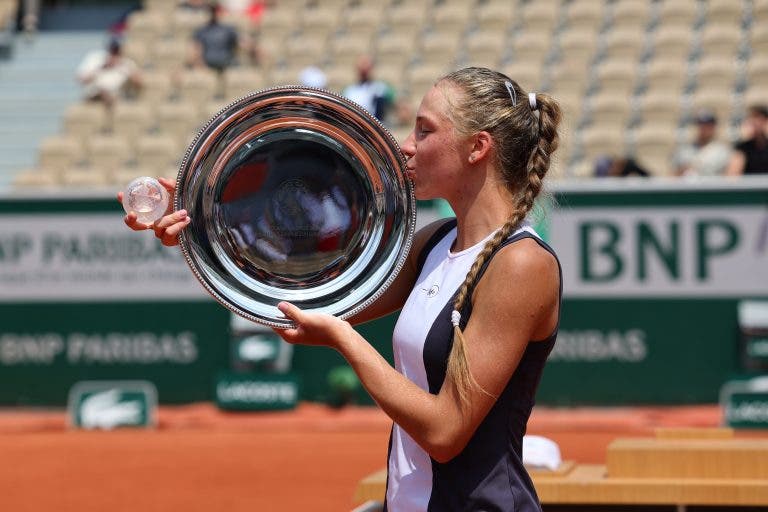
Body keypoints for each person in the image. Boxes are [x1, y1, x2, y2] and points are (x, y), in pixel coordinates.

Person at [119, 66, 563, 511]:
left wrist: (344, 339)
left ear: (477, 148)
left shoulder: (521, 264)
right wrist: (204, 216)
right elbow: (291, 307)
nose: (406, 145)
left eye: (424, 131)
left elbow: (446, 432)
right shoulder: (436, 241)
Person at [76, 38, 142, 109]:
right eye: (112, 50)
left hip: (117, 96)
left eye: (116, 50)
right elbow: (81, 79)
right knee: (99, 91)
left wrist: (124, 68)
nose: (113, 53)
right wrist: (103, 67)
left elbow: (139, 82)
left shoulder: (127, 63)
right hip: (94, 94)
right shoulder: (95, 58)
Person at [674, 110, 730, 177]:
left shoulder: (722, 151)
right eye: (701, 124)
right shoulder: (685, 150)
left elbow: (729, 177)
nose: (704, 128)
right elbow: (673, 176)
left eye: (708, 125)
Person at [189, 3, 240, 73]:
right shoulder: (202, 30)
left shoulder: (228, 29)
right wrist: (199, 64)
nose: (213, 14)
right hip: (208, 62)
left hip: (226, 61)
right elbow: (196, 49)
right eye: (211, 11)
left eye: (215, 11)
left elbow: (240, 43)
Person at [342, 55, 396, 121]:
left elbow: (394, 102)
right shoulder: (349, 91)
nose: (364, 70)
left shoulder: (381, 88)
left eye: (367, 67)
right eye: (361, 67)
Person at [727, 104, 768, 176]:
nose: (754, 122)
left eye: (757, 118)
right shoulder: (742, 148)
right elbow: (732, 177)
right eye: (751, 118)